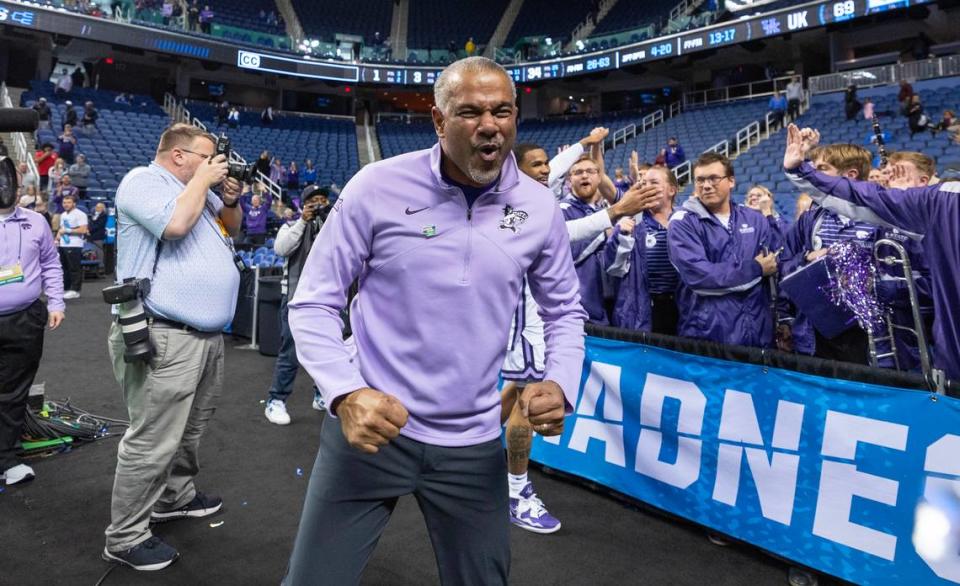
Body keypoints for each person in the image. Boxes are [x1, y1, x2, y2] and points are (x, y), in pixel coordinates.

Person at [283, 56, 587, 585]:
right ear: (439, 122)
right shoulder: (376, 187)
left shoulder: (539, 208)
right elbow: (313, 302)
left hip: (471, 442)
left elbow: (564, 311)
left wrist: (560, 380)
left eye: (503, 111)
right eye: (470, 112)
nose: (490, 125)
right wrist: (344, 393)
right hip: (371, 428)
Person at [102, 123, 242, 571]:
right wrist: (204, 181)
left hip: (203, 335)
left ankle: (174, 497)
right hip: (163, 332)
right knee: (153, 440)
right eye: (206, 158)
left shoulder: (196, 189)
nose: (215, 166)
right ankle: (124, 537)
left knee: (191, 429)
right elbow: (175, 226)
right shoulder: (143, 182)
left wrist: (231, 199)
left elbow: (231, 229)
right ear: (178, 156)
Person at [501, 142, 658, 533]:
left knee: (514, 390)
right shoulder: (514, 206)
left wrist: (585, 143)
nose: (546, 171)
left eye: (547, 165)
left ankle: (471, 454)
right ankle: (516, 490)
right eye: (537, 166)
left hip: (528, 317)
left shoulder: (529, 198)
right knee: (527, 399)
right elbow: (564, 232)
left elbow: (550, 177)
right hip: (525, 320)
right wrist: (616, 211)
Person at [783, 123, 960, 383]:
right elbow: (786, 263)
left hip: (884, 344)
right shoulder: (943, 200)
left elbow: (924, 286)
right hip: (822, 337)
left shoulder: (905, 218)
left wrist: (869, 286)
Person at [668, 152, 777, 347]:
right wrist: (756, 269)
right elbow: (700, 277)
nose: (706, 185)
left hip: (759, 334)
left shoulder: (755, 219)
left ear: (731, 181)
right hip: (709, 336)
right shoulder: (682, 223)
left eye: (714, 179)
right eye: (700, 180)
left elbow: (774, 267)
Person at [0, 178, 65, 487]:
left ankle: (7, 459)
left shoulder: (35, 221)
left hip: (25, 319)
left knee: (14, 392)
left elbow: (50, 263)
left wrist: (56, 302)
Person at [263, 186, 329, 425]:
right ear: (304, 205)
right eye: (314, 201)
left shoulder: (330, 227)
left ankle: (322, 395)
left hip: (324, 299)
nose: (319, 204)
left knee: (326, 351)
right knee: (290, 352)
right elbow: (281, 249)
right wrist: (302, 221)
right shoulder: (290, 226)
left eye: (323, 200)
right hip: (294, 298)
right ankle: (276, 400)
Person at [606, 165, 681, 334]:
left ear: (672, 190)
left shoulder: (686, 222)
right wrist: (621, 235)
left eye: (654, 182)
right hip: (643, 311)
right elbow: (613, 269)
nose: (646, 187)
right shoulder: (632, 222)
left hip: (682, 309)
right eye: (644, 183)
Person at [560, 155, 611, 324]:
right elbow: (569, 252)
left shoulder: (601, 211)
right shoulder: (561, 211)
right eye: (578, 172)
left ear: (599, 178)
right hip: (578, 310)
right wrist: (603, 233)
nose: (584, 176)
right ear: (569, 180)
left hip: (609, 306)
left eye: (590, 171)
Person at [56, 193, 87, 300]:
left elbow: (83, 230)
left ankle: (75, 290)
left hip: (74, 245)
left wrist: (68, 230)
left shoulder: (80, 214)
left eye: (69, 202)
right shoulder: (63, 214)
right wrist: (57, 239)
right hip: (63, 244)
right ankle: (66, 288)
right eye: (64, 202)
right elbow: (61, 229)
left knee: (74, 268)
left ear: (74, 203)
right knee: (64, 268)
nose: (66, 204)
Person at [88, 201, 108, 271]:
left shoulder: (104, 216)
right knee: (91, 251)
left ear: (103, 208)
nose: (97, 208)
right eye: (96, 207)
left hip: (98, 236)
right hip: (90, 236)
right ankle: (92, 267)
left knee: (99, 251)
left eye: (99, 207)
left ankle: (101, 267)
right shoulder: (92, 215)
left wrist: (89, 230)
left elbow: (98, 225)